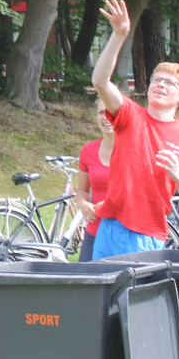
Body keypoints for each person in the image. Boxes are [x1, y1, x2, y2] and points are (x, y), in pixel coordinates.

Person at [90, 0, 179, 259]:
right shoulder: (130, 115)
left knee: (134, 299)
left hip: (148, 234)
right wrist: (119, 34)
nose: (160, 84)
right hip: (109, 226)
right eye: (156, 79)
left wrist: (178, 176)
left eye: (170, 83)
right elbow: (100, 81)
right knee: (99, 298)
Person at [72, 98, 113, 262]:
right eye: (101, 112)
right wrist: (83, 204)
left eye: (111, 111)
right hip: (94, 232)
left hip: (124, 235)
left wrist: (113, 204)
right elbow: (82, 190)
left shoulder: (135, 150)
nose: (106, 117)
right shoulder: (88, 150)